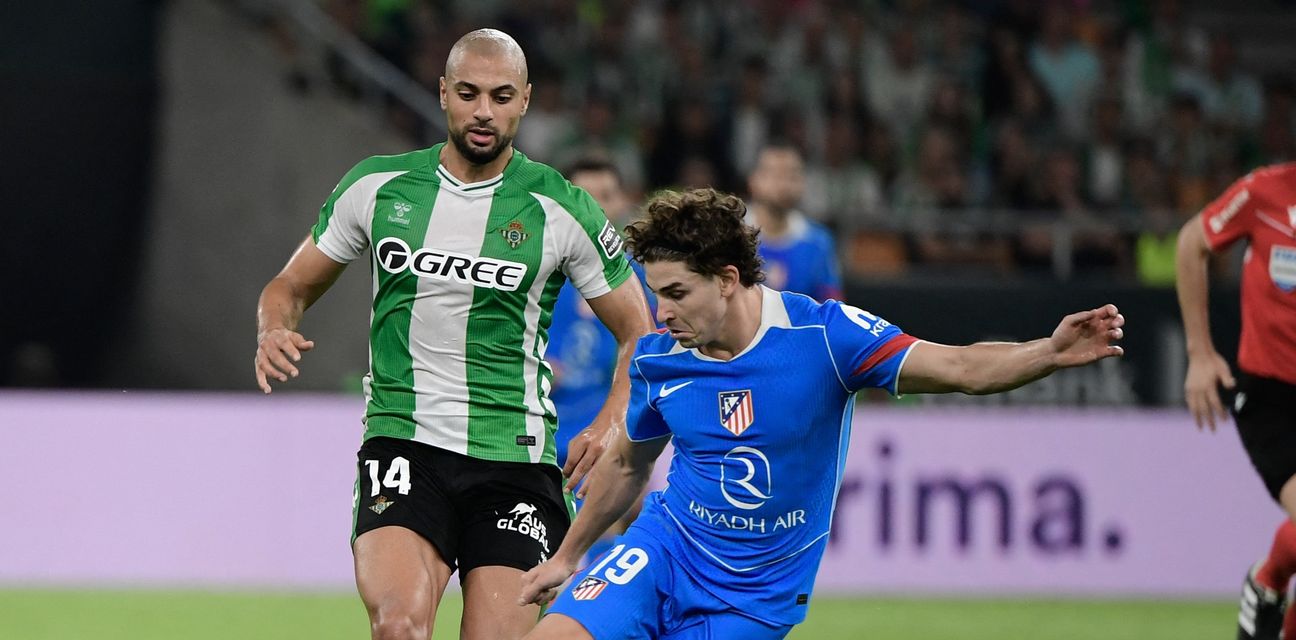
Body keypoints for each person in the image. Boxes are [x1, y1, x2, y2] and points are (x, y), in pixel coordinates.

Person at [518, 187, 1125, 639]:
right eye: (656, 294)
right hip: (665, 550)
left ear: (727, 279)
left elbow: (959, 367)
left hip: (754, 599)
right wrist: (568, 556)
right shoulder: (659, 359)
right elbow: (628, 464)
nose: (662, 312)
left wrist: (1047, 352)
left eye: (676, 293)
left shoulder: (826, 338)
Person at [253, 29, 655, 640]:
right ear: (443, 93)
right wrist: (273, 328)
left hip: (516, 461)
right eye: (468, 94)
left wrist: (609, 422)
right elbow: (290, 284)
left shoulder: (561, 208)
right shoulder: (378, 186)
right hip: (404, 443)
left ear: (525, 100)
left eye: (501, 96)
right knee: (399, 628)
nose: (483, 111)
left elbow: (638, 332)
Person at [1176, 162, 1296, 640]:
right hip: (1272, 400)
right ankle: (1269, 579)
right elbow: (1191, 243)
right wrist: (1200, 353)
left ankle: (1268, 585)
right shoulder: (1264, 192)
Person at [547, 158, 656, 561]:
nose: (594, 208)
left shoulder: (643, 281)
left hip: (606, 428)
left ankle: (591, 601)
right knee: (537, 552)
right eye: (583, 197)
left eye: (605, 196)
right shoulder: (536, 269)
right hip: (537, 432)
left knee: (600, 533)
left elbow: (655, 354)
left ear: (623, 202)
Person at [746, 144, 843, 302]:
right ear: (754, 180)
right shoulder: (733, 234)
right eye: (776, 175)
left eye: (792, 176)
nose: (784, 185)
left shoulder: (818, 241)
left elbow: (832, 304)